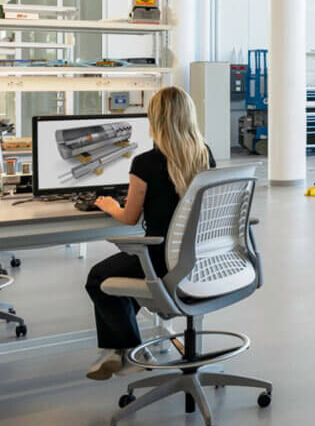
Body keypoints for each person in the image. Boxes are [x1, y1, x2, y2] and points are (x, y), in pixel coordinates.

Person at [82, 86, 216, 381]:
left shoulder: (144, 163)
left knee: (98, 278)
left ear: (154, 120)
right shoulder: (205, 155)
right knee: (123, 281)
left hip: (161, 259)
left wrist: (109, 204)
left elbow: (129, 218)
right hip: (201, 259)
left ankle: (127, 349)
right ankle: (119, 350)